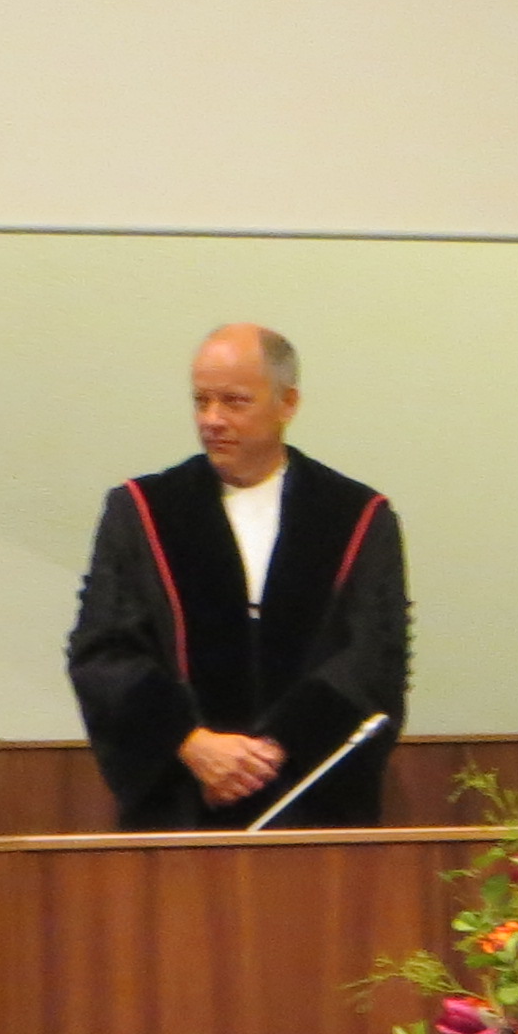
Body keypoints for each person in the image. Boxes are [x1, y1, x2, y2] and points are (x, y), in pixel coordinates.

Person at [66, 325, 409, 831]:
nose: (212, 419)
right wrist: (191, 742)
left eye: (234, 401)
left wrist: (271, 751)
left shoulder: (355, 516)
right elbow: (103, 652)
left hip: (312, 811)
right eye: (201, 401)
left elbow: (372, 658)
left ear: (287, 403)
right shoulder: (143, 512)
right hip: (182, 809)